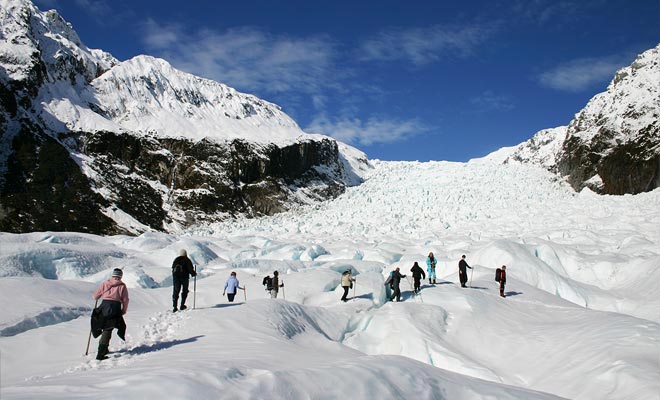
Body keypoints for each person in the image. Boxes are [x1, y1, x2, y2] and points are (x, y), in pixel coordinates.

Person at [91, 268, 129, 360]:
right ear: (120, 276)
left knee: (104, 326)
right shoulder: (122, 286)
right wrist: (124, 310)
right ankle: (101, 353)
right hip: (115, 308)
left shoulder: (105, 283)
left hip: (104, 307)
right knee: (108, 328)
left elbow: (95, 296)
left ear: (113, 275)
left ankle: (104, 349)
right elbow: (125, 300)